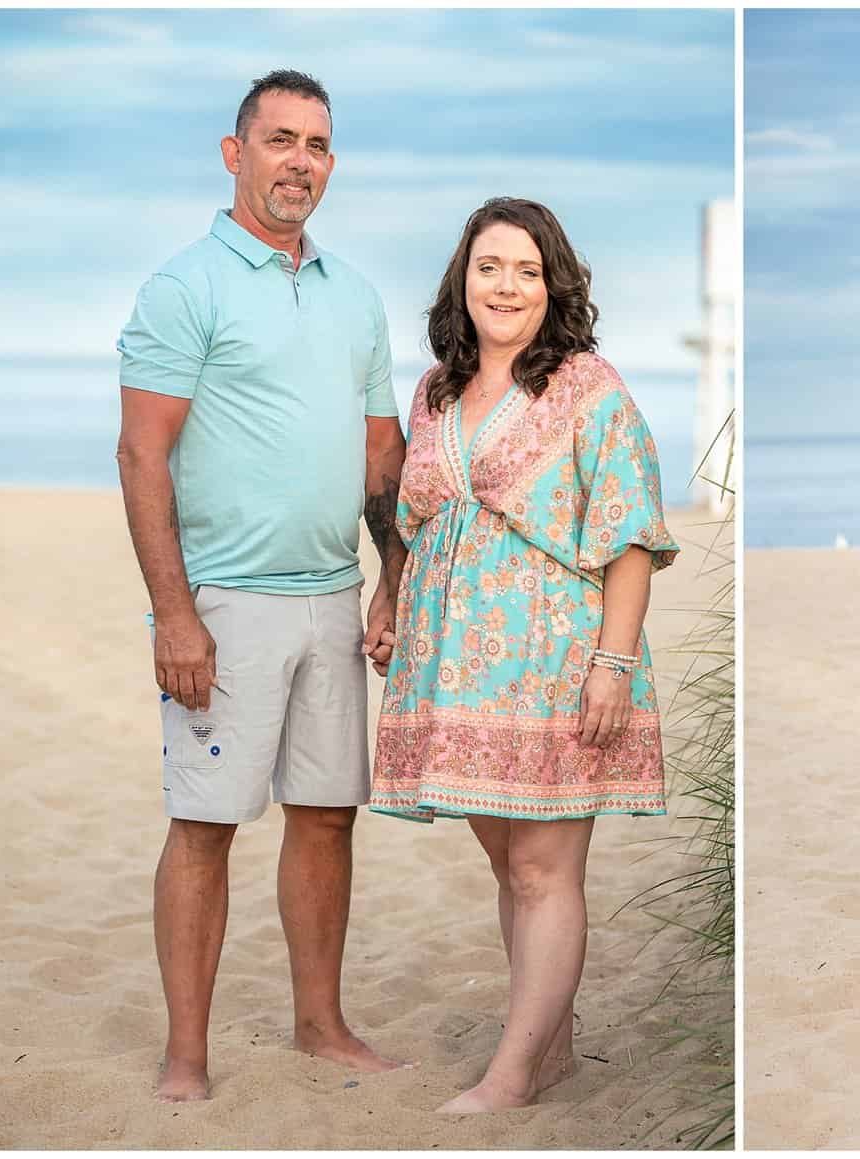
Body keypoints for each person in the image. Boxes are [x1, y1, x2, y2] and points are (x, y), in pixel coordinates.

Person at [114, 68, 409, 1104]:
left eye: (318, 145)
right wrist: (178, 614)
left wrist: (393, 581)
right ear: (235, 154)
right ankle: (186, 1052)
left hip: (333, 596)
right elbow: (142, 455)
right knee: (205, 822)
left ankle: (320, 1022)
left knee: (327, 814)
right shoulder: (184, 285)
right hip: (225, 603)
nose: (301, 162)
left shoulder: (357, 295)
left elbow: (384, 455)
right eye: (281, 140)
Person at [368, 197, 676, 1112]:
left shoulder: (589, 386)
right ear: (462, 279)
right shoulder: (433, 391)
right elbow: (416, 519)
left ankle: (510, 1071)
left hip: (557, 662)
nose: (506, 285)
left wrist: (612, 665)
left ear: (555, 285)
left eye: (527, 270)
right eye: (490, 266)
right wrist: (388, 597)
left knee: (546, 871)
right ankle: (553, 1048)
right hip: (451, 670)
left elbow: (629, 537)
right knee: (509, 868)